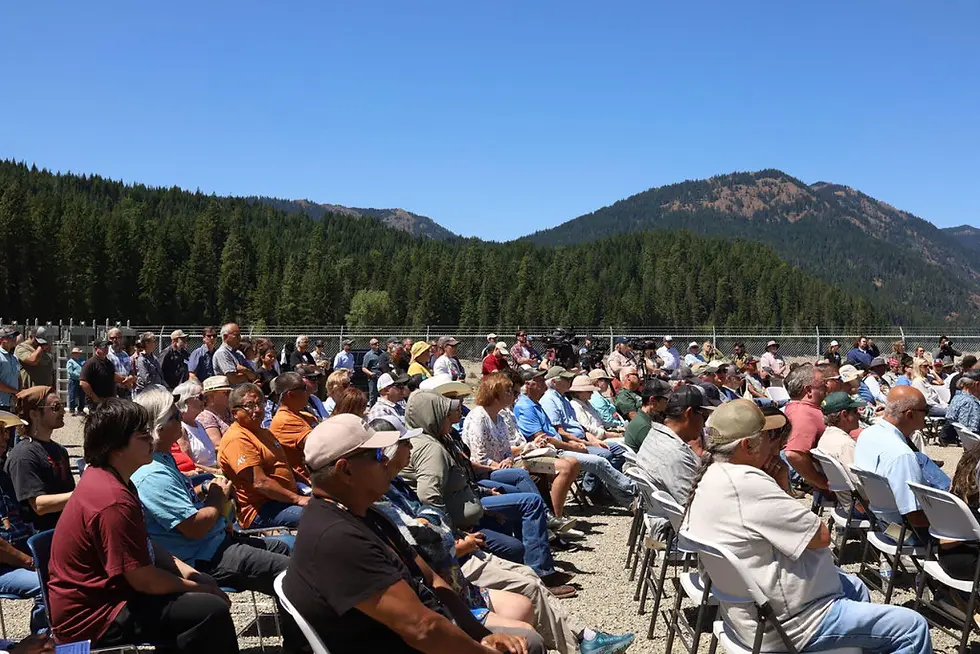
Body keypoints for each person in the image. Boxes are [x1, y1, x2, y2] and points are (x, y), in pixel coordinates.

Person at [683, 399, 932, 654]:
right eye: (767, 438)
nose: (773, 444)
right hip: (793, 624)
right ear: (747, 445)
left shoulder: (711, 475)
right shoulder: (748, 484)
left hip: (750, 616)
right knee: (912, 627)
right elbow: (821, 536)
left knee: (855, 587)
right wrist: (782, 486)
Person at [282, 414, 545, 654]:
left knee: (525, 641)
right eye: (376, 455)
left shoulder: (367, 514)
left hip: (426, 631)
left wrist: (481, 633)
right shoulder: (336, 537)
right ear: (345, 470)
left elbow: (431, 578)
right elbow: (421, 629)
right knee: (528, 646)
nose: (386, 461)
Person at [47, 399, 238, 652]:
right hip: (95, 617)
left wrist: (191, 575)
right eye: (142, 435)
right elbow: (145, 581)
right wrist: (202, 588)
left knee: (198, 599)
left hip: (114, 596)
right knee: (208, 610)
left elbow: (146, 545)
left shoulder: (116, 479)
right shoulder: (112, 499)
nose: (151, 439)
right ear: (116, 447)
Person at [130, 387, 300, 646]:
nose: (182, 419)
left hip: (215, 542)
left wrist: (204, 489)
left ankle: (299, 638)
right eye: (175, 416)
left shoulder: (162, 458)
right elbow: (194, 528)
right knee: (292, 573)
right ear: (159, 427)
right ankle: (301, 646)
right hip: (202, 556)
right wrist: (218, 497)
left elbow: (181, 502)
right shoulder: (152, 473)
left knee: (283, 550)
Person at [514, 369, 635, 507]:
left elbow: (563, 431)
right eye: (540, 380)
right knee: (601, 460)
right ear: (528, 384)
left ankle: (607, 491)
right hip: (553, 450)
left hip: (562, 446)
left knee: (612, 453)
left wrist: (584, 442)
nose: (544, 382)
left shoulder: (539, 403)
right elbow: (544, 438)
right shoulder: (529, 405)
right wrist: (574, 445)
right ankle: (631, 491)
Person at [854, 386, 951, 535]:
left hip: (881, 523)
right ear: (910, 415)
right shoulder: (902, 455)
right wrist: (957, 521)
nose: (927, 415)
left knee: (920, 459)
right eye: (925, 410)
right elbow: (915, 518)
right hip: (904, 533)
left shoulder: (868, 434)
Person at [218, 383, 308, 528]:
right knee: (319, 518)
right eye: (250, 405)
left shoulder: (264, 432)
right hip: (261, 509)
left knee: (333, 507)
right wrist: (297, 499)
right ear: (235, 413)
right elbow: (260, 483)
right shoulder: (237, 439)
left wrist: (310, 487)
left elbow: (284, 466)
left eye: (260, 402)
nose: (258, 409)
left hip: (285, 499)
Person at [636, 386, 714, 540]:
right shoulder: (674, 454)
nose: (704, 424)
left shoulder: (655, 436)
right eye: (704, 415)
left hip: (663, 520)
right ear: (689, 413)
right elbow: (696, 507)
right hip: (678, 535)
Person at [0, 411, 45, 633]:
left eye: (5, 431)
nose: (6, 437)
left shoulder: (4, 469)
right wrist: (31, 561)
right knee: (46, 583)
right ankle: (42, 643)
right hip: (4, 565)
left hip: (20, 551)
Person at [8, 386, 74, 531]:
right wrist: (81, 494)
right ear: (34, 414)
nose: (63, 411)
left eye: (62, 405)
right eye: (56, 407)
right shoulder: (23, 455)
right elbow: (39, 505)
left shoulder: (60, 450)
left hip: (63, 531)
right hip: (39, 537)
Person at [781, 364, 831, 495]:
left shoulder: (803, 410)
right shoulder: (802, 414)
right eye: (823, 384)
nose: (827, 387)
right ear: (808, 390)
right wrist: (821, 482)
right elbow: (794, 454)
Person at [816, 392, 865, 507]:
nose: (859, 415)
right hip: (860, 507)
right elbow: (860, 485)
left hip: (845, 503)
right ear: (844, 415)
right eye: (855, 411)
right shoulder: (845, 445)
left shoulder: (825, 438)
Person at [269, 372, 317, 485]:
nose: (308, 391)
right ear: (290, 394)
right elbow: (319, 445)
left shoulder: (305, 416)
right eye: (303, 388)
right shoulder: (284, 421)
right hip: (307, 483)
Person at [172, 380, 219, 472]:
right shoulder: (180, 428)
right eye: (200, 397)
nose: (204, 400)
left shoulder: (198, 424)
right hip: (203, 475)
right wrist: (214, 471)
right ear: (186, 400)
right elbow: (188, 464)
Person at [568, 375, 625, 441]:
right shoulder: (575, 406)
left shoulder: (588, 404)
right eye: (589, 391)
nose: (592, 393)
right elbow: (587, 428)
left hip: (604, 434)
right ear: (579, 392)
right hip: (595, 440)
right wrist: (614, 435)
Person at [623, 378, 672, 451]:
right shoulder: (644, 427)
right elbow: (661, 452)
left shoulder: (645, 419)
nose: (669, 403)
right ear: (652, 400)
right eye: (667, 400)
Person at [198, 375, 232, 450]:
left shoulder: (230, 411)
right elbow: (217, 446)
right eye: (225, 393)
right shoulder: (205, 416)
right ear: (211, 397)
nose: (230, 395)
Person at [80, 339, 117, 405]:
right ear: (96, 348)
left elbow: (113, 376)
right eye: (103, 346)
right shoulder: (90, 363)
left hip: (110, 401)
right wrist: (95, 398)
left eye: (107, 346)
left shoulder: (109, 363)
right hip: (96, 403)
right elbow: (83, 383)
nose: (106, 348)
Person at [106, 327, 136, 399]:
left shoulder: (125, 354)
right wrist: (124, 380)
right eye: (112, 338)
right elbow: (108, 372)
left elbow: (131, 370)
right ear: (108, 339)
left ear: (121, 339)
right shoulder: (106, 354)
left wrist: (131, 377)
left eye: (117, 338)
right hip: (113, 390)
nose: (115, 340)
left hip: (126, 390)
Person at [0, 328, 21, 415]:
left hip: (12, 404)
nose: (14, 338)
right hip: (1, 403)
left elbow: (19, 377)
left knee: (12, 428)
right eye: (10, 336)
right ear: (1, 339)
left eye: (15, 336)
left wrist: (19, 393)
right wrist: (14, 391)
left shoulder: (14, 358)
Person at [362, 338, 383, 405]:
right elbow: (364, 368)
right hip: (373, 378)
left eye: (378, 343)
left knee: (383, 393)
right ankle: (372, 409)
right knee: (373, 395)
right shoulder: (368, 355)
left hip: (382, 376)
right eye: (375, 344)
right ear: (371, 345)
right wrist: (370, 373)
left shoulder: (383, 353)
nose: (377, 344)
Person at [66, 347, 85, 416]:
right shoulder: (70, 362)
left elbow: (85, 369)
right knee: (72, 395)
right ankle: (72, 409)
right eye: (75, 353)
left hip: (81, 380)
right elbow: (70, 372)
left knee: (82, 395)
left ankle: (80, 410)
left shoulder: (82, 361)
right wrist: (79, 375)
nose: (76, 354)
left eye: (77, 353)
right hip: (73, 381)